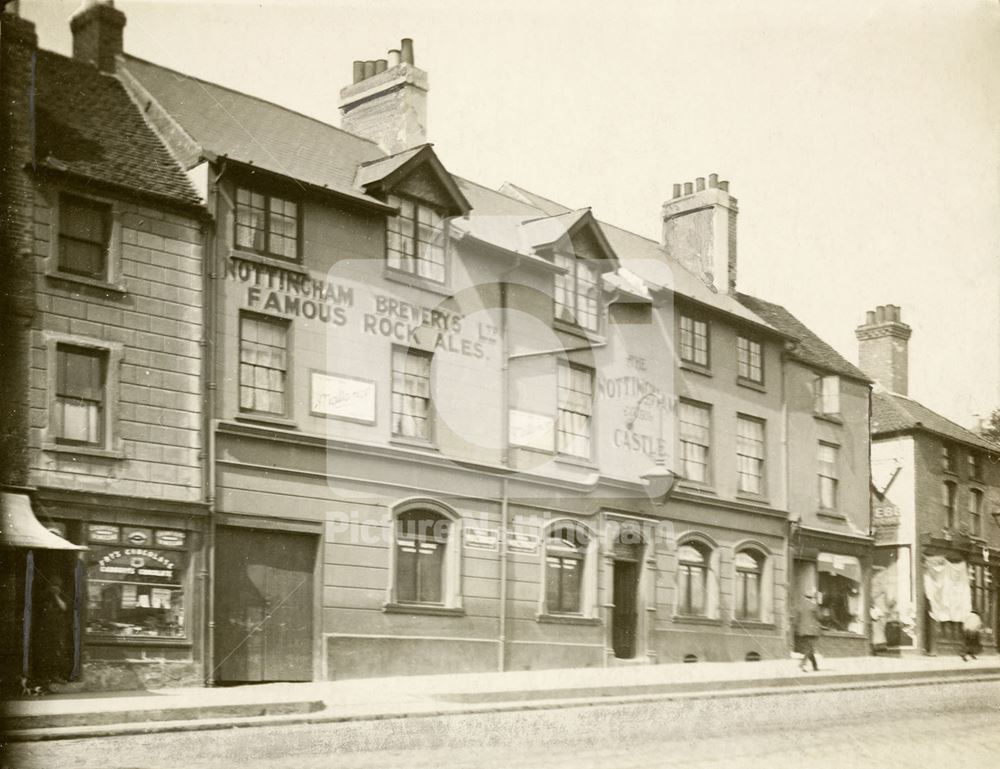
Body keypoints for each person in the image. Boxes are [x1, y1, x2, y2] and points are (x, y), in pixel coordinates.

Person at [795, 589, 822, 672]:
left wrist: (798, 629)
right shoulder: (813, 606)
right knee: (809, 649)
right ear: (812, 597)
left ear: (804, 597)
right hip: (811, 631)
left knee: (809, 648)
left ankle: (815, 666)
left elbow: (796, 620)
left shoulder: (799, 606)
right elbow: (820, 617)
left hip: (802, 631)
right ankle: (802, 664)